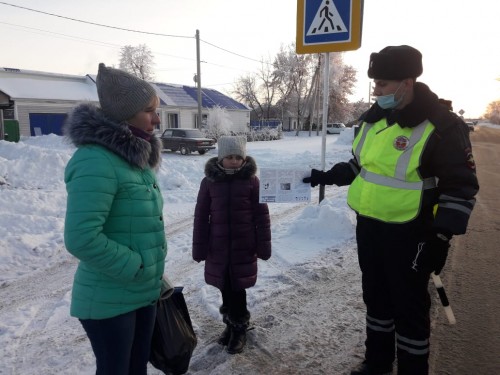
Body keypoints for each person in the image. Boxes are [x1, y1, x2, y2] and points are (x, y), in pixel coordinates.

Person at [303, 45, 479, 375]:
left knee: (409, 307)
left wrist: (440, 237)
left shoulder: (441, 126)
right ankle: (378, 362)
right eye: (375, 84)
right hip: (370, 227)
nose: (377, 91)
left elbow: (461, 186)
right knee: (376, 298)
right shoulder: (374, 120)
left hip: (413, 233)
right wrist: (327, 177)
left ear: (407, 82)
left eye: (383, 84)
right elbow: (362, 166)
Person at [64, 63, 167, 375]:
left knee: (137, 369)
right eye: (149, 110)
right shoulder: (96, 160)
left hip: (141, 293)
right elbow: (81, 237)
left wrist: (152, 275)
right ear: (125, 113)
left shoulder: (136, 159)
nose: (157, 119)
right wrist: (136, 266)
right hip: (109, 300)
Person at [192, 136, 271, 354]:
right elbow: (201, 216)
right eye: (229, 157)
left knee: (238, 289)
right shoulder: (209, 183)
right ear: (220, 158)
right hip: (217, 248)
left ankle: (239, 328)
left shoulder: (252, 182)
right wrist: (199, 248)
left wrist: (263, 247)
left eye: (238, 157)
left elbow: (261, 216)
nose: (234, 161)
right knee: (224, 286)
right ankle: (229, 324)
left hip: (243, 247)